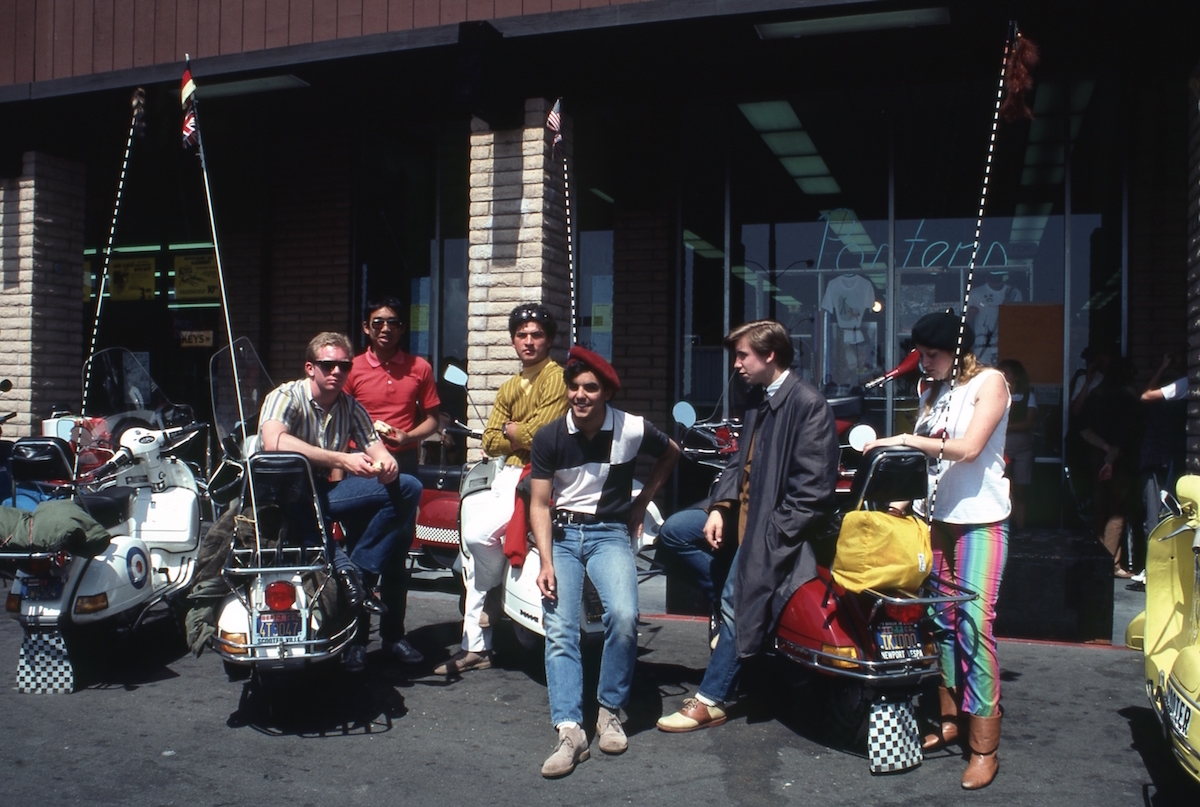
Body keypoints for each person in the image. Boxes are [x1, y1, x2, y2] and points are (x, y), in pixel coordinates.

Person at [657, 320, 838, 735]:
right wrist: (720, 507)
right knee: (675, 532)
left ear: (769, 354)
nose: (736, 364)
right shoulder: (758, 399)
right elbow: (738, 464)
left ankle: (711, 699)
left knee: (744, 591)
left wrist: (764, 540)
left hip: (777, 532)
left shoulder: (808, 404)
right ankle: (734, 606)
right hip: (742, 516)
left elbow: (811, 494)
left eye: (743, 355)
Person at [864, 310, 1010, 790]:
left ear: (957, 350)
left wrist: (905, 438)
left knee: (974, 624)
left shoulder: (990, 383)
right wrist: (898, 504)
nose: (923, 363)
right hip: (938, 519)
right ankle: (951, 721)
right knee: (943, 623)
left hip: (981, 521)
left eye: (931, 354)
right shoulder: (934, 390)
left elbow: (967, 449)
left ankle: (983, 744)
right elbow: (931, 469)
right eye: (920, 355)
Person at [531, 346, 680, 778]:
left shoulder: (632, 429)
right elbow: (539, 503)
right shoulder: (550, 436)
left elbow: (670, 452)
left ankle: (610, 710)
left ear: (607, 392)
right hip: (561, 534)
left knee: (625, 615)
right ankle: (570, 731)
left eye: (590, 388)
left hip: (609, 531)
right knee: (560, 627)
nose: (580, 395)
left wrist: (643, 501)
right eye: (574, 387)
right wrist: (545, 560)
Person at [258, 332, 424, 673]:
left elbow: (375, 447)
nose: (336, 371)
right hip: (282, 493)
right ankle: (350, 577)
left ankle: (360, 574)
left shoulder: (351, 405)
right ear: (310, 368)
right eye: (327, 364)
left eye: (343, 365)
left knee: (408, 486)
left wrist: (386, 463)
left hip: (323, 491)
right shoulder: (286, 396)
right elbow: (273, 441)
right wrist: (342, 459)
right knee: (308, 508)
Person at [433, 304, 568, 676]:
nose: (529, 341)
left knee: (482, 544)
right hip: (507, 473)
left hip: (540, 475)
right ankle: (478, 640)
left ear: (549, 340)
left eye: (536, 335)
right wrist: (511, 434)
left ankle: (481, 631)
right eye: (522, 335)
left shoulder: (556, 378)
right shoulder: (510, 385)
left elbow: (542, 435)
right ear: (512, 340)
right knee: (475, 539)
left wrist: (513, 430)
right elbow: (491, 440)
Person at [345, 296, 442, 477]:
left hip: (404, 457)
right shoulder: (351, 368)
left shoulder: (420, 367)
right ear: (366, 327)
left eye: (393, 323)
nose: (385, 329)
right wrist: (337, 474)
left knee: (403, 504)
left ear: (402, 328)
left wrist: (408, 437)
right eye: (377, 323)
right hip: (362, 457)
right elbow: (341, 423)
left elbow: (433, 420)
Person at [1077, 357, 1142, 577]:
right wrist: (1113, 456)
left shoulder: (1096, 395)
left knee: (1099, 508)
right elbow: (1131, 431)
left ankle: (1097, 559)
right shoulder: (1128, 398)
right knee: (1117, 512)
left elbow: (1082, 428)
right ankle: (1111, 563)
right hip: (1120, 458)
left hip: (1096, 454)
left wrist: (1103, 448)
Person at [997, 359, 1037, 530]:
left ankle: (1020, 529)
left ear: (1017, 376)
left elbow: (1029, 422)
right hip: (1002, 449)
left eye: (1009, 372)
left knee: (1020, 490)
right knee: (1001, 490)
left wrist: (1007, 426)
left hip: (1023, 449)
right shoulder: (997, 396)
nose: (1005, 376)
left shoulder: (1028, 396)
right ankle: (1003, 528)